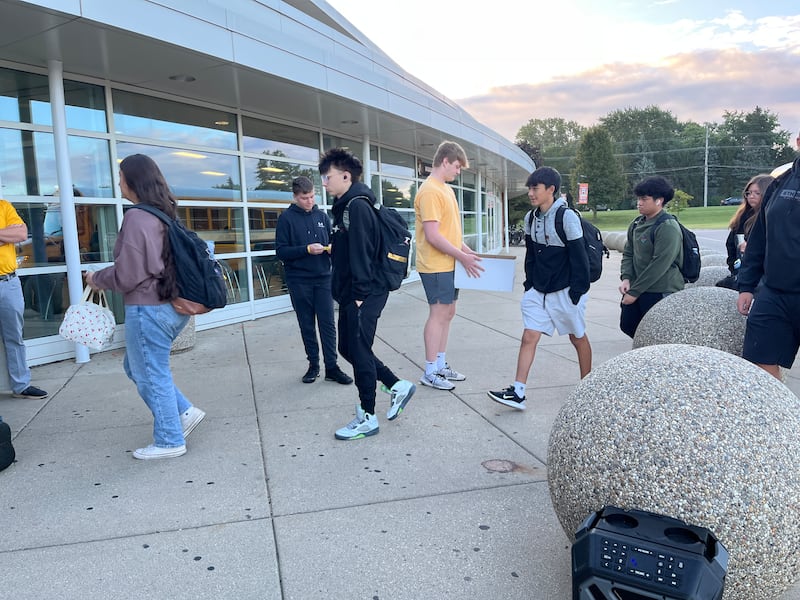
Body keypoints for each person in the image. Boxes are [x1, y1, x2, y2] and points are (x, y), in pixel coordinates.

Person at [85, 154, 205, 460]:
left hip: (148, 308)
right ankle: (184, 412)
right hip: (169, 306)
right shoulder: (164, 213)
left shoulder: (137, 217)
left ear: (133, 180)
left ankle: (169, 439)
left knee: (151, 372)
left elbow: (129, 275)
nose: (118, 182)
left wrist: (97, 277)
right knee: (138, 367)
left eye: (121, 176)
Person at [318, 147, 416, 440]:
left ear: (346, 176)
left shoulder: (357, 207)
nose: (324, 182)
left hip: (365, 292)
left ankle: (367, 416)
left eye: (329, 176)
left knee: (358, 351)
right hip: (355, 291)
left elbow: (363, 253)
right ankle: (395, 385)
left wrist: (360, 295)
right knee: (347, 347)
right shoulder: (349, 206)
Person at [488, 166, 591, 410]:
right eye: (530, 188)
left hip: (566, 291)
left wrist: (577, 291)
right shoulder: (530, 218)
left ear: (551, 190)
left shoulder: (567, 217)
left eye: (535, 188)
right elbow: (531, 256)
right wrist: (529, 285)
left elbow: (580, 259)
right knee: (529, 336)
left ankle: (588, 387)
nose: (531, 193)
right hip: (539, 291)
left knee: (577, 338)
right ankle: (518, 392)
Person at [414, 140, 483, 390]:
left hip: (450, 262)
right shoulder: (431, 191)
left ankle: (440, 364)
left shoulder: (445, 189)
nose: (458, 171)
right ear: (445, 161)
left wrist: (466, 252)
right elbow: (432, 236)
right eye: (456, 166)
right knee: (438, 313)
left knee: (448, 313)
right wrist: (462, 256)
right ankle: (430, 370)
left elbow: (449, 233)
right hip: (435, 265)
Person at [276, 176, 353, 385]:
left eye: (311, 197)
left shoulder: (321, 216)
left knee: (328, 324)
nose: (309, 201)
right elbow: (281, 251)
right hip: (299, 280)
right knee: (307, 325)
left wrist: (332, 249)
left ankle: (332, 367)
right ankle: (313, 365)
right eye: (304, 198)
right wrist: (306, 249)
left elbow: (331, 242)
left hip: (323, 279)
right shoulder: (286, 219)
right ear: (295, 197)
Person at [736, 157, 800, 380]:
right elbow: (759, 239)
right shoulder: (780, 182)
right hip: (774, 292)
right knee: (758, 360)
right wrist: (746, 285)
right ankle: (778, 412)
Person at [619, 176, 684, 338]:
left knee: (657, 334)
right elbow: (628, 252)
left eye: (644, 199)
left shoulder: (667, 226)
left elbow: (660, 264)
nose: (639, 203)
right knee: (628, 325)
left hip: (661, 290)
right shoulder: (636, 224)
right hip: (638, 287)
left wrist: (634, 292)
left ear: (659, 201)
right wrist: (626, 278)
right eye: (638, 199)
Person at [0, 199, 48, 400]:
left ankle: (21, 385)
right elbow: (12, 235)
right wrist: (5, 236)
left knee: (14, 337)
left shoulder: (3, 206)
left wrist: (9, 236)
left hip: (8, 282)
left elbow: (20, 234)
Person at [715, 174, 773, 290]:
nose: (751, 196)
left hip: (763, 276)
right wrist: (734, 269)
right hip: (740, 269)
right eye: (749, 193)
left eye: (757, 193)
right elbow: (730, 244)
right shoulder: (742, 216)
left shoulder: (771, 217)